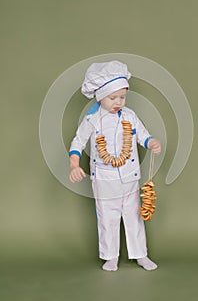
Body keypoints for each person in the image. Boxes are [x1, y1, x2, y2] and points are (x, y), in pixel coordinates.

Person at [69, 60, 161, 271]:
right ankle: (110, 256)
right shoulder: (91, 120)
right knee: (107, 218)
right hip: (103, 179)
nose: (118, 101)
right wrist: (74, 165)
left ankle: (141, 254)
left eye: (122, 96)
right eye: (113, 97)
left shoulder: (130, 116)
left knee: (134, 217)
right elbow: (77, 142)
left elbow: (143, 136)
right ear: (100, 96)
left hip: (129, 177)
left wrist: (151, 142)